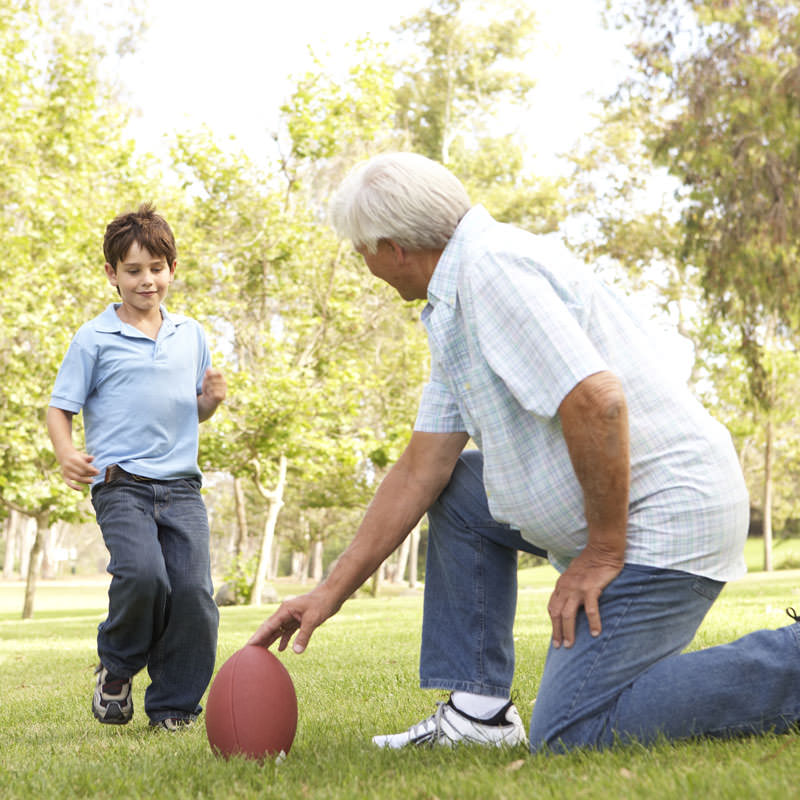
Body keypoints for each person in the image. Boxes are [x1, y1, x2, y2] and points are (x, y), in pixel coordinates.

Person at [249, 152, 800, 752]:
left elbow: (598, 401)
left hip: (663, 528)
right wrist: (328, 592)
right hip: (629, 518)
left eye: (361, 249)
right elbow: (421, 469)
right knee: (458, 489)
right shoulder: (456, 298)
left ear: (393, 249)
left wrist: (601, 551)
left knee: (571, 734)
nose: (363, 263)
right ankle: (478, 717)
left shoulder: (492, 273)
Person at [47, 204, 226, 731]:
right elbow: (60, 407)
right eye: (133, 270)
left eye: (156, 268)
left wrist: (210, 403)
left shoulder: (190, 334)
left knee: (193, 594)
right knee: (145, 576)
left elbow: (189, 408)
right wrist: (65, 452)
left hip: (182, 486)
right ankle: (119, 668)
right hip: (121, 484)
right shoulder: (94, 338)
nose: (147, 280)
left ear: (172, 268)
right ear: (112, 274)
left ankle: (173, 707)